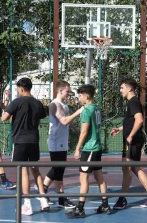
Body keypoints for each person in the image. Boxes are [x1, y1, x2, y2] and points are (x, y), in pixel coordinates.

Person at [110, 77, 147, 209]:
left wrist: (131, 135)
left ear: (129, 88)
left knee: (132, 167)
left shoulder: (133, 101)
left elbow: (139, 120)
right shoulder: (132, 102)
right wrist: (120, 129)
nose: (120, 90)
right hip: (131, 138)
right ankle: (122, 199)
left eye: (122, 88)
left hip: (133, 139)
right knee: (127, 168)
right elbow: (133, 121)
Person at [1, 77, 49, 215]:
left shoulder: (17, 102)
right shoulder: (37, 103)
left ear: (21, 89)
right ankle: (43, 199)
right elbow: (40, 117)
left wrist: (12, 112)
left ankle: (27, 204)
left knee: (23, 172)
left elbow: (4, 117)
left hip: (21, 141)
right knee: (35, 170)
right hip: (33, 140)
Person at [65, 84, 112, 219]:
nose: (79, 97)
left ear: (86, 96)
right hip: (97, 147)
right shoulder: (96, 108)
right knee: (99, 177)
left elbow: (84, 131)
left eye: (80, 95)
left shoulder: (86, 111)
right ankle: (105, 205)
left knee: (83, 178)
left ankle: (80, 209)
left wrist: (77, 148)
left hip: (89, 149)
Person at [42, 80, 84, 209]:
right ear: (60, 91)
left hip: (62, 141)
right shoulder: (54, 105)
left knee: (59, 169)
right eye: (67, 91)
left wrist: (77, 129)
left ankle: (45, 192)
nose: (69, 94)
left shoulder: (64, 104)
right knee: (58, 169)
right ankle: (51, 194)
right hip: (55, 141)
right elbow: (64, 121)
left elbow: (68, 120)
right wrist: (79, 111)